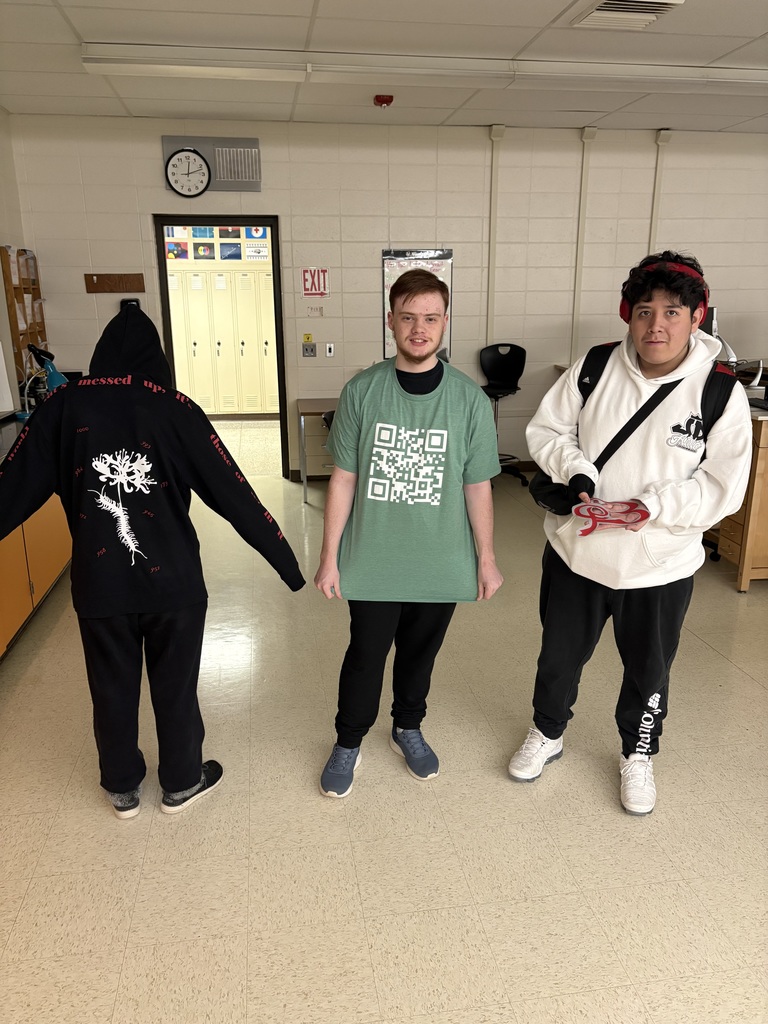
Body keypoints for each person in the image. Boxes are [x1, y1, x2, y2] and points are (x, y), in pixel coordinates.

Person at [0, 305, 305, 818]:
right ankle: (183, 781)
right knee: (175, 684)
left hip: (101, 586)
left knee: (110, 684)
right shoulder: (176, 407)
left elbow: (8, 491)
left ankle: (122, 788)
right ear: (157, 362)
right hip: (175, 586)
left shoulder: (61, 408)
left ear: (98, 358)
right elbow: (235, 494)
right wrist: (287, 564)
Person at [508, 251, 752, 814]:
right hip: (577, 551)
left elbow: (724, 487)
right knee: (558, 658)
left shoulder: (719, 393)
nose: (656, 325)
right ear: (628, 316)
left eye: (672, 311)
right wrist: (578, 469)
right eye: (644, 311)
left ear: (697, 317)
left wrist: (652, 506)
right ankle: (548, 733)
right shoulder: (594, 366)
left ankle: (637, 753)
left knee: (649, 669)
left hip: (660, 565)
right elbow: (545, 429)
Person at [314, 267, 504, 798]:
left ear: (444, 324)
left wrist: (485, 558)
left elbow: (477, 485)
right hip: (374, 557)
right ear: (391, 321)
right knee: (366, 654)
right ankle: (348, 740)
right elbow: (344, 478)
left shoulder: (468, 399)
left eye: (430, 318)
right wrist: (330, 556)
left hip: (441, 559)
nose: (419, 329)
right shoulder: (362, 391)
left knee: (421, 654)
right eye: (408, 317)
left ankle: (407, 728)